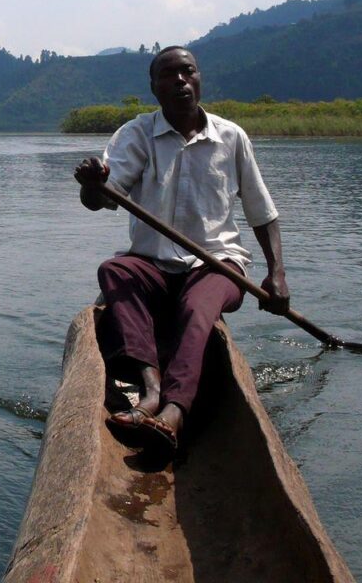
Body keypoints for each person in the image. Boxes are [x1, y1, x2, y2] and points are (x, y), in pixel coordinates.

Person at [73, 46, 289, 452]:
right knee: (114, 271)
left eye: (187, 72)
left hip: (218, 265)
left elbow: (263, 213)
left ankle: (175, 410)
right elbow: (100, 198)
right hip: (152, 265)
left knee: (197, 306)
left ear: (199, 78)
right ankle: (150, 388)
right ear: (153, 87)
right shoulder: (136, 135)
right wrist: (92, 184)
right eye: (168, 75)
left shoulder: (231, 138)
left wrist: (276, 273)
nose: (179, 80)